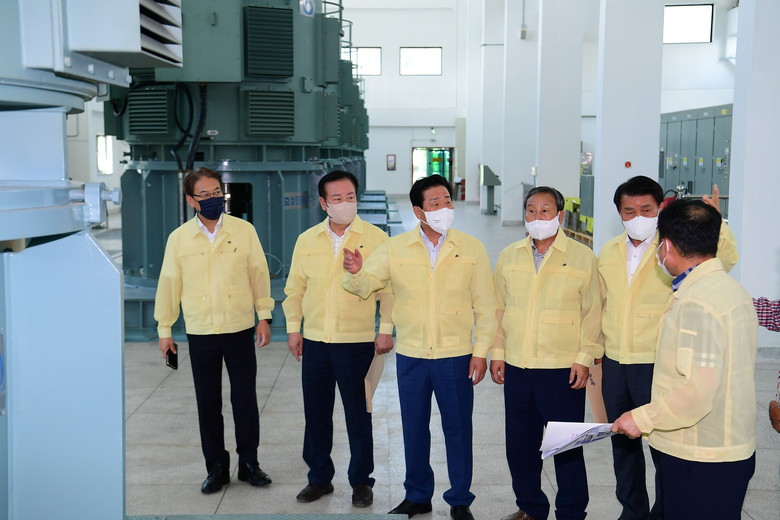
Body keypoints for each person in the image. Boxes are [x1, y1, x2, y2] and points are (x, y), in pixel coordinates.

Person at [342, 175, 497, 520]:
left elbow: (486, 305)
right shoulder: (396, 248)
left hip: (455, 354)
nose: (444, 208)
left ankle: (460, 500)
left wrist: (481, 351)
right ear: (418, 211)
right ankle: (417, 495)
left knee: (458, 429)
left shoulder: (471, 248)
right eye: (435, 203)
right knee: (413, 427)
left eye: (447, 201)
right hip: (412, 354)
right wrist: (355, 271)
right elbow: (365, 284)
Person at [597, 176, 738, 520]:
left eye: (646, 209)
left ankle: (663, 512)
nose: (638, 217)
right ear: (619, 213)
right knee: (623, 444)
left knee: (664, 446)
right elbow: (602, 304)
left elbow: (724, 260)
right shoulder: (608, 252)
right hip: (616, 362)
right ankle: (632, 511)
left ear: (661, 208)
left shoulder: (675, 247)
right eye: (629, 211)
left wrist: (717, 224)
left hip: (656, 363)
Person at [154, 167, 274, 494]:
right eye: (204, 195)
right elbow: (169, 284)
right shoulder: (179, 239)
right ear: (191, 200)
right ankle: (216, 467)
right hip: (201, 331)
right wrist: (165, 329)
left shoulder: (243, 231)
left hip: (239, 328)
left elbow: (258, 273)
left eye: (216, 192)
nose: (213, 199)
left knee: (244, 399)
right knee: (208, 403)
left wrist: (264, 315)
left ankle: (249, 464)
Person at [282, 170, 394, 507]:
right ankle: (319, 478)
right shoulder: (307, 240)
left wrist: (385, 329)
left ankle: (361, 481)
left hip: (356, 343)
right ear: (323, 203)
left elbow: (388, 291)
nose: (345, 203)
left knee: (359, 415)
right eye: (337, 198)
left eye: (350, 197)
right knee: (316, 415)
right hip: (316, 341)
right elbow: (294, 289)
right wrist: (294, 328)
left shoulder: (376, 238)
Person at [490, 186, 602, 520]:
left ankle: (571, 512)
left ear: (560, 216)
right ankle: (530, 507)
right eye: (531, 210)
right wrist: (497, 351)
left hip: (562, 368)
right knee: (520, 444)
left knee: (566, 446)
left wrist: (584, 358)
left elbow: (593, 313)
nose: (537, 217)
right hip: (518, 365)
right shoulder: (509, 255)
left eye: (545, 210)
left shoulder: (582, 257)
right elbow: (499, 309)